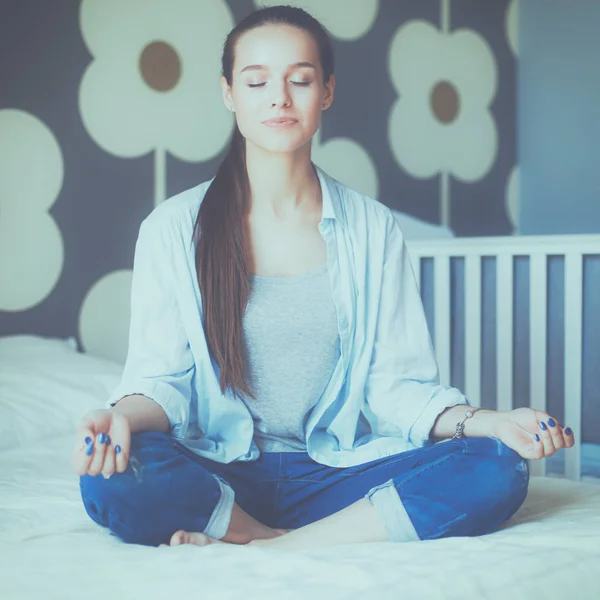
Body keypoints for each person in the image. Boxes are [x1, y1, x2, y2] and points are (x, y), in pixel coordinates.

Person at [73, 5, 575, 551]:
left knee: (499, 465)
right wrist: (117, 416)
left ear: (327, 91)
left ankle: (273, 546)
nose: (279, 97)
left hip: (333, 471)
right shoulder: (173, 229)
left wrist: (494, 422)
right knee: (114, 472)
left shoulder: (372, 228)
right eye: (257, 80)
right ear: (228, 93)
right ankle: (248, 525)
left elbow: (397, 390)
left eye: (301, 79)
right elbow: (162, 383)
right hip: (220, 471)